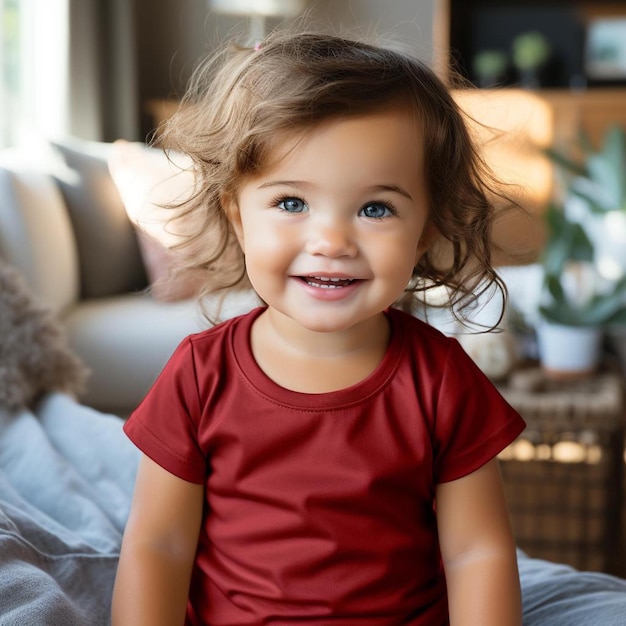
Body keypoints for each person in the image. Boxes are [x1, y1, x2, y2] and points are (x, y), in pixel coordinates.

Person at [112, 27, 526, 626]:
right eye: (290, 203)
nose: (331, 242)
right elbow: (158, 545)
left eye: (375, 208)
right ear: (237, 214)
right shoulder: (200, 375)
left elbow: (476, 552)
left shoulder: (441, 380)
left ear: (426, 232)